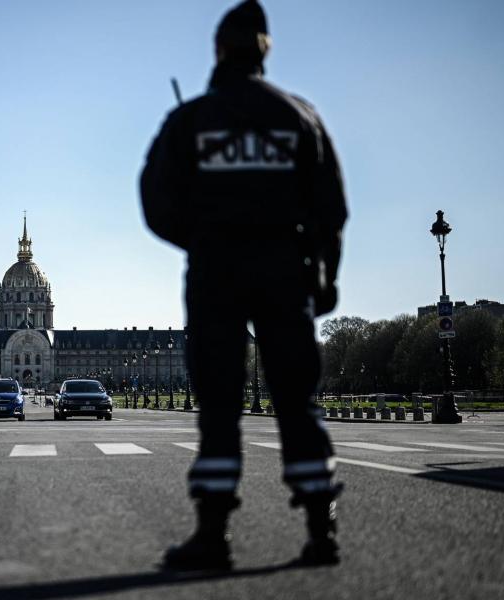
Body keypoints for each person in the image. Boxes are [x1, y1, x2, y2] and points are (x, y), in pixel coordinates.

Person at [140, 0, 348, 570]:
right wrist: (324, 272)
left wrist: (200, 238)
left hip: (217, 271)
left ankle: (212, 534)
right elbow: (331, 207)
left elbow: (154, 200)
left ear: (218, 51)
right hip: (285, 267)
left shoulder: (191, 119)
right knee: (296, 399)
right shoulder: (300, 115)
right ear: (264, 51)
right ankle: (321, 527)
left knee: (219, 401)